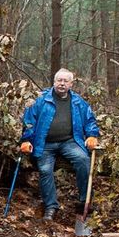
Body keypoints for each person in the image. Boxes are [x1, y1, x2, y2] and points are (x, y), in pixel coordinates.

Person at [20, 68, 100, 220]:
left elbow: (90, 120)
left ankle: (85, 202)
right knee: (44, 170)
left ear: (71, 84)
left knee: (83, 160)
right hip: (44, 143)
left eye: (65, 81)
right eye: (59, 80)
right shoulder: (40, 99)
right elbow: (29, 121)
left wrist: (91, 135)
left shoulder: (78, 102)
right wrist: (26, 140)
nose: (62, 84)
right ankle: (50, 206)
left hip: (69, 141)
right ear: (54, 82)